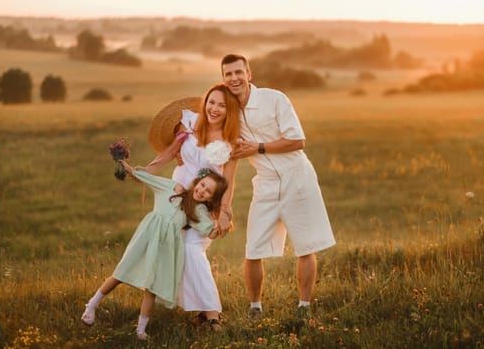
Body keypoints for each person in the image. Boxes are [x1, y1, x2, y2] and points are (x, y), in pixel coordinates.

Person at [220, 53, 336, 319]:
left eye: (239, 72)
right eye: (228, 74)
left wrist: (258, 148)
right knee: (252, 250)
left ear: (249, 74)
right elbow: (230, 158)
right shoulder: (230, 113)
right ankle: (255, 307)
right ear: (223, 79)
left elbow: (297, 141)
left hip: (298, 178)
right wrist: (224, 206)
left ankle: (303, 308)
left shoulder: (275, 99)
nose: (234, 78)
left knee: (306, 247)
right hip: (266, 185)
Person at [81, 161, 228, 340]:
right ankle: (91, 306)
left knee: (151, 287)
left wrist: (223, 221)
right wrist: (129, 168)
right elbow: (147, 179)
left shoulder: (198, 210)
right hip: (147, 237)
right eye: (202, 184)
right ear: (197, 181)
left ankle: (141, 330)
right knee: (121, 273)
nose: (202, 190)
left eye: (208, 192)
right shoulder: (173, 188)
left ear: (211, 198)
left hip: (166, 247)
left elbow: (209, 232)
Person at [144, 83, 240, 331]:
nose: (215, 109)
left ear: (229, 111)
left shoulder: (232, 142)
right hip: (177, 199)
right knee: (177, 249)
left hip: (205, 203)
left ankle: (212, 315)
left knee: (192, 249)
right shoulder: (189, 126)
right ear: (205, 102)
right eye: (212, 102)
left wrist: (224, 212)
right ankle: (200, 310)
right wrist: (143, 172)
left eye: (222, 105)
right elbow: (167, 154)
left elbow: (228, 181)